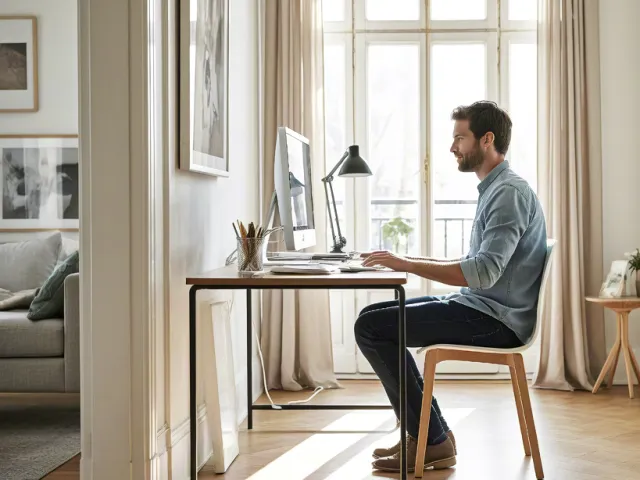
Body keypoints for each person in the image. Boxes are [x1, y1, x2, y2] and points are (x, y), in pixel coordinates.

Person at [356, 100, 547, 473]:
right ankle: (426, 433)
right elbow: (477, 268)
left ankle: (432, 440)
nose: (452, 147)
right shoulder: (495, 189)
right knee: (371, 317)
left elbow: (483, 272)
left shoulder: (508, 193)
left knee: (371, 328)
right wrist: (405, 261)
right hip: (481, 306)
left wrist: (407, 264)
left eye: (460, 137)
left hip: (498, 320)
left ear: (487, 139)